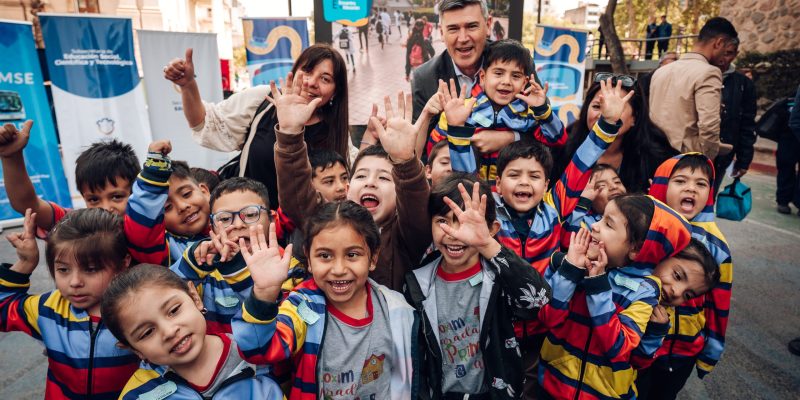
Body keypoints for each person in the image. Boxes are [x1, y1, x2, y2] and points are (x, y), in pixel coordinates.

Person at [447, 78, 632, 397]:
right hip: (492, 327)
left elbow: (582, 161)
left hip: (543, 330)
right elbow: (465, 180)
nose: (524, 183)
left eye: (534, 176)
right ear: (498, 184)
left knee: (531, 389)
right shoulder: (486, 210)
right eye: (514, 175)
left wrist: (609, 122)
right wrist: (457, 129)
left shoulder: (555, 207)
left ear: (547, 185)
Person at [233, 201, 419, 399]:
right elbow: (258, 350)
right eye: (325, 256)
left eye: (352, 255)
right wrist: (264, 294)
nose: (338, 269)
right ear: (309, 259)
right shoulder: (302, 306)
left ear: (373, 258)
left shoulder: (394, 309)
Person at [272, 81, 432, 291]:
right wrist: (290, 136)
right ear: (347, 189)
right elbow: (297, 198)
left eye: (384, 178)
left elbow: (416, 205)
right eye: (361, 175)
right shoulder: (327, 221)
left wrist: (405, 162)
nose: (370, 182)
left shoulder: (405, 235)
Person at [406, 176, 551, 399]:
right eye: (443, 221)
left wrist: (486, 244)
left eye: (466, 223)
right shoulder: (418, 283)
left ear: (492, 229)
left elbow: (539, 300)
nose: (454, 233)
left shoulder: (498, 277)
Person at [537, 195, 693, 400]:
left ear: (636, 249)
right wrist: (569, 270)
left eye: (608, 224)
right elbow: (548, 318)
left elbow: (617, 346)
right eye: (600, 218)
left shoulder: (644, 291)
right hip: (553, 384)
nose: (594, 226)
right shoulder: (575, 263)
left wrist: (598, 286)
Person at [163, 44, 355, 210]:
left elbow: (351, 183)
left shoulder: (336, 131)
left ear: (335, 92)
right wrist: (188, 85)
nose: (311, 82)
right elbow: (204, 122)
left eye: (325, 79)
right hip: (243, 219)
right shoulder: (263, 100)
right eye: (307, 71)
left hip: (302, 234)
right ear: (294, 71)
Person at [0, 208, 138, 399]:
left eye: (90, 269)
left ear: (123, 264)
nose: (74, 282)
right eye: (63, 269)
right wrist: (25, 263)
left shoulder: (139, 312)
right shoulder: (47, 309)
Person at [101, 264, 283, 399]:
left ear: (195, 297)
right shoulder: (139, 393)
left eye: (173, 311)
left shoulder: (255, 358)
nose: (170, 331)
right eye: (147, 332)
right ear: (136, 350)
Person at [646, 153, 734, 396]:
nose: (691, 189)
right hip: (638, 340)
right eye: (680, 181)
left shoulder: (716, 245)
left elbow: (719, 304)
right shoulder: (645, 229)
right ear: (662, 185)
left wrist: (711, 350)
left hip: (683, 351)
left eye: (701, 184)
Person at [429, 39, 566, 188]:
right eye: (499, 73)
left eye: (515, 76)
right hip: (470, 194)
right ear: (483, 77)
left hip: (513, 198)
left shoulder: (531, 114)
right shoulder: (463, 110)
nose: (506, 81)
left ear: (524, 82)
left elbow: (557, 141)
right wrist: (454, 125)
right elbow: (434, 150)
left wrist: (542, 110)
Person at [411, 0, 540, 150]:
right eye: (453, 29)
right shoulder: (424, 78)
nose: (463, 38)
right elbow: (421, 153)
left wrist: (512, 138)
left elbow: (547, 133)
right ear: (441, 32)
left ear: (488, 24)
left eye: (471, 26)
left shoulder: (518, 63)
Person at [0, 123, 139, 233]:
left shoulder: (153, 225)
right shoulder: (77, 227)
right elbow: (27, 205)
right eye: (94, 199)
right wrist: (12, 157)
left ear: (136, 192)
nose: (105, 208)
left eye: (116, 197)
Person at [553, 76, 678, 194]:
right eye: (597, 106)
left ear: (635, 117)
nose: (606, 114)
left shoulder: (657, 159)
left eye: (616, 108)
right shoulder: (562, 148)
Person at [633, 238, 722, 400]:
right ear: (663, 255)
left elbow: (638, 364)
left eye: (688, 295)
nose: (677, 292)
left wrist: (654, 334)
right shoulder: (619, 280)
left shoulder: (660, 320)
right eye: (677, 275)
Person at [649, 17, 739, 161]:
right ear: (719, 43)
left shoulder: (661, 71)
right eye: (726, 51)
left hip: (651, 151)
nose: (725, 59)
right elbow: (709, 126)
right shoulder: (709, 72)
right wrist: (706, 160)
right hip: (684, 159)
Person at [124, 140, 211, 266]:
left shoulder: (231, 223)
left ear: (204, 191)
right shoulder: (167, 250)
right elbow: (141, 232)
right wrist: (155, 168)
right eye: (167, 207)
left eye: (187, 194)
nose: (182, 206)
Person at [714, 39, 757, 194]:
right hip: (687, 152)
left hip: (721, 155)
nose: (723, 58)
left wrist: (744, 160)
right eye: (722, 52)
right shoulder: (696, 74)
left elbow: (747, 123)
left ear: (736, 54)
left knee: (705, 203)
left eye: (729, 53)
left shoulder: (743, 84)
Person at [777, 84, 800, 215]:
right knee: (786, 167)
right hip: (791, 135)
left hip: (791, 133)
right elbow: (794, 120)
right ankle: (783, 201)